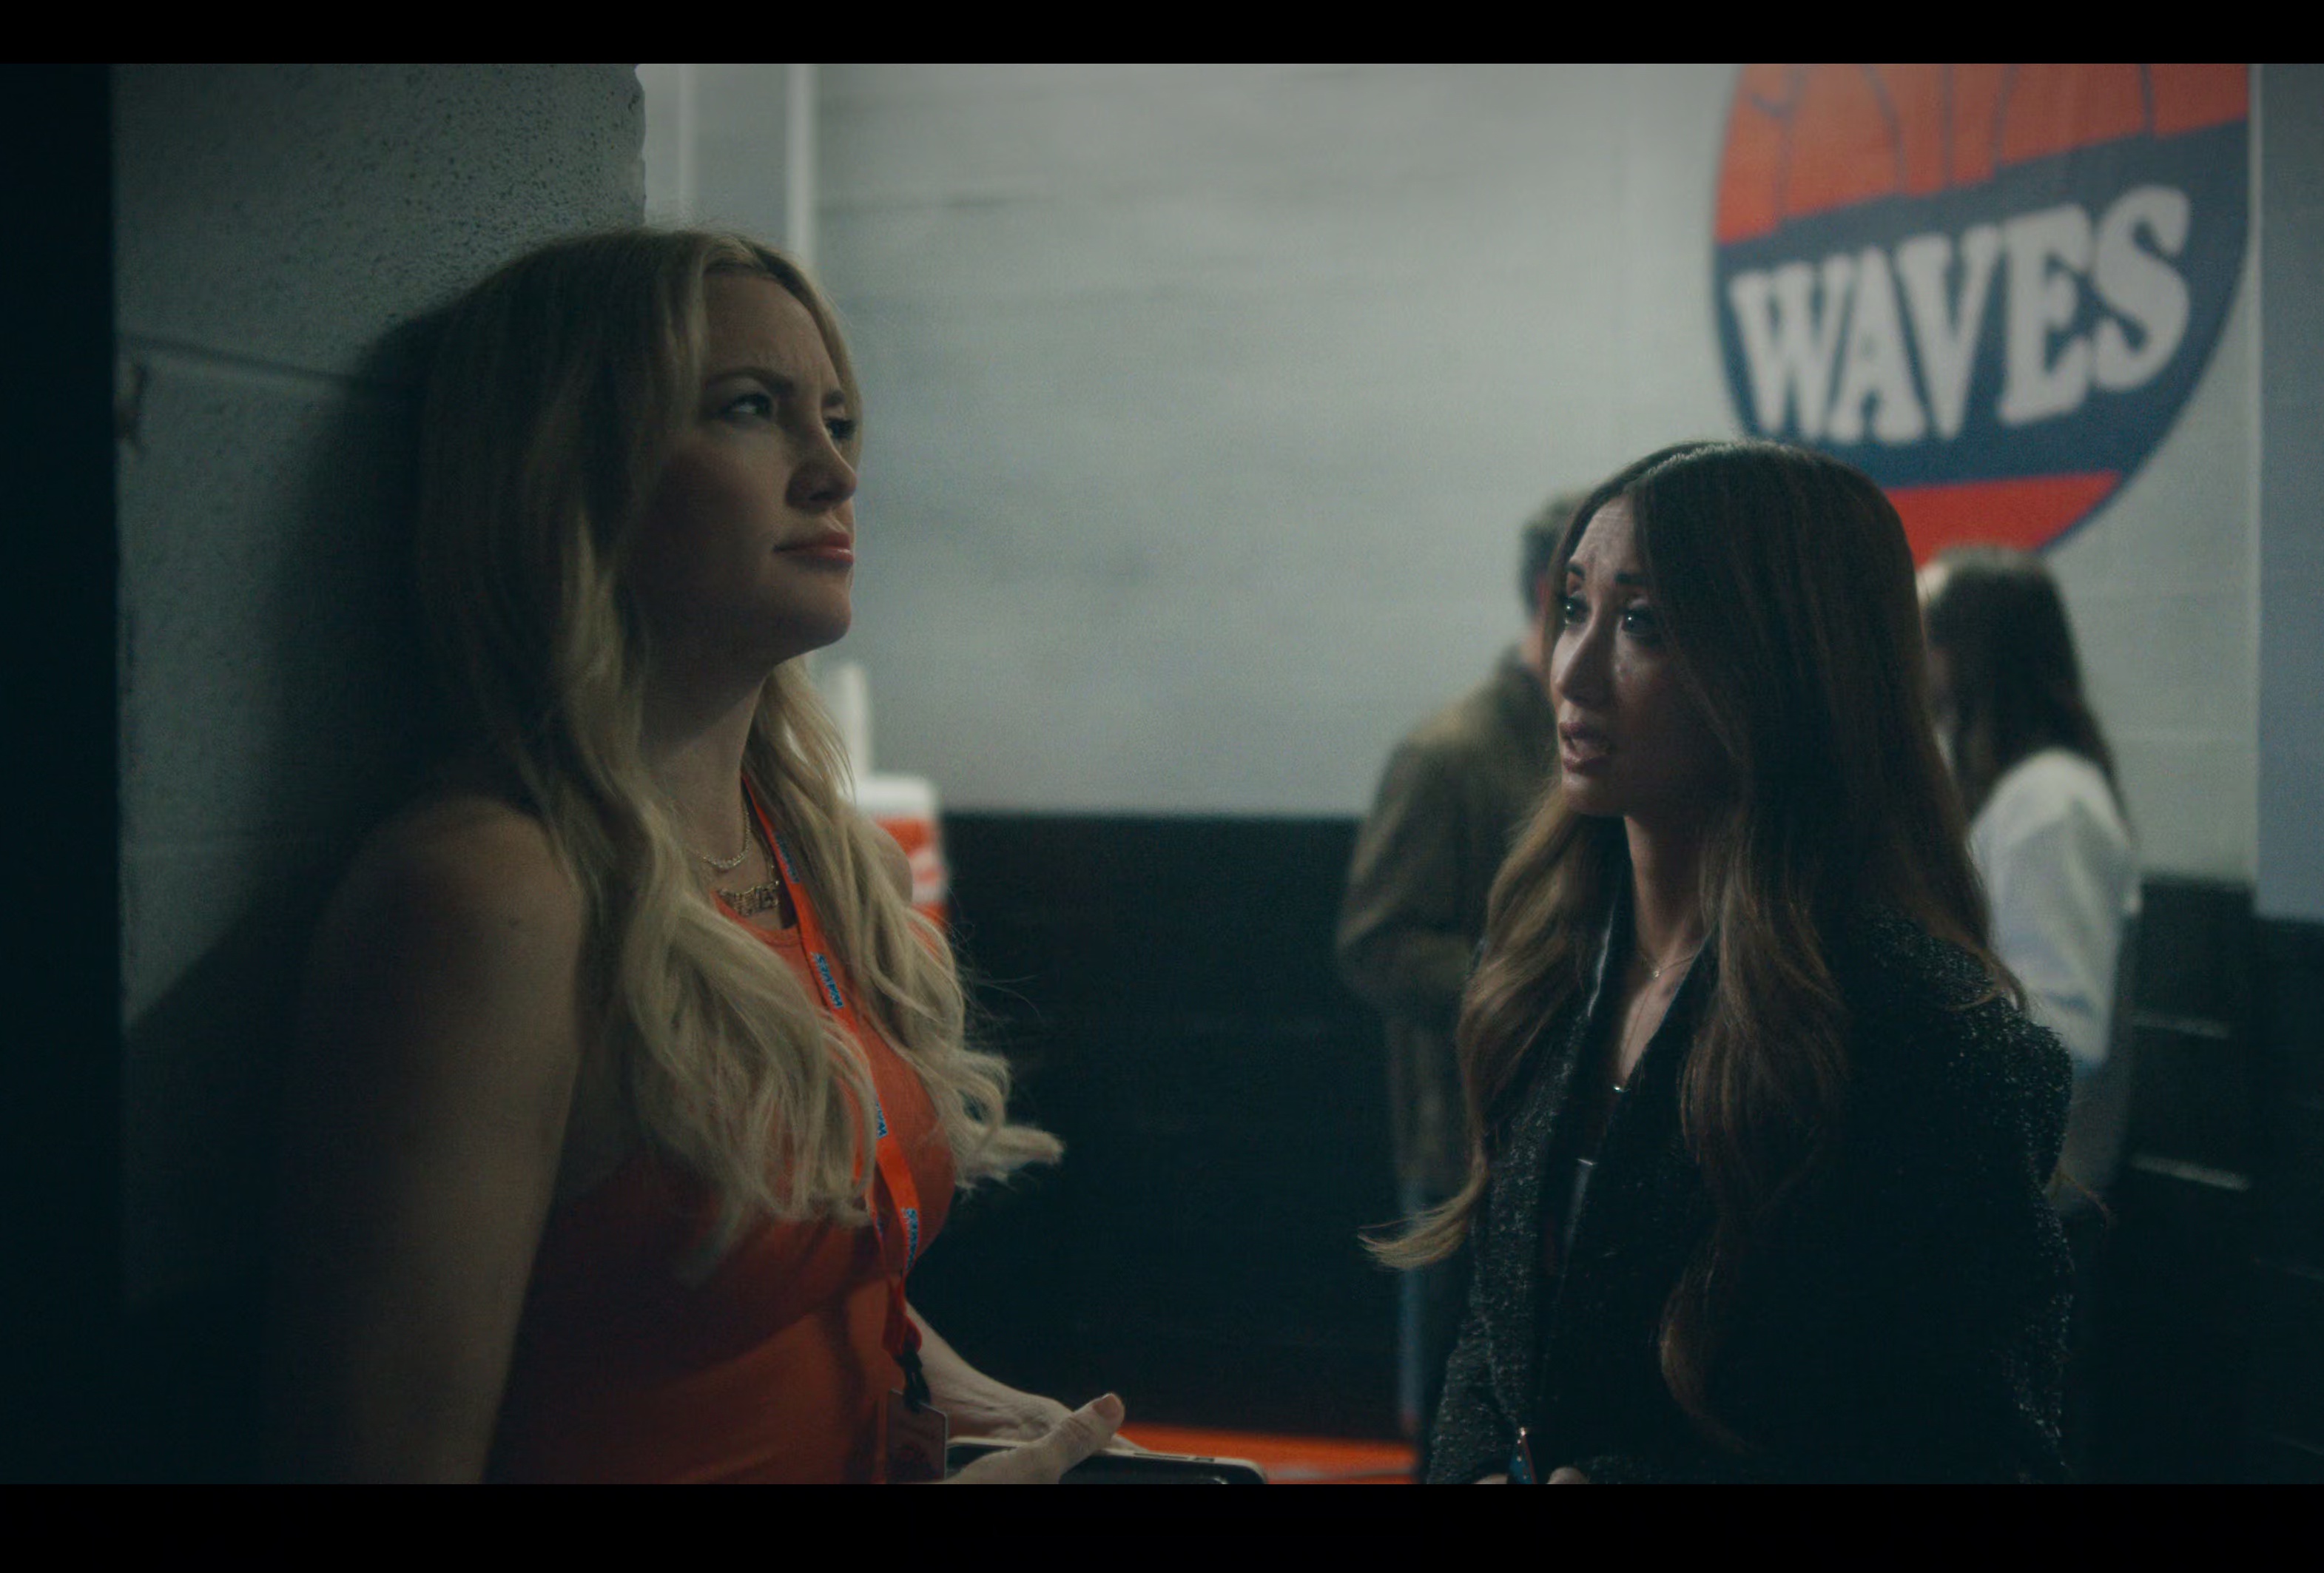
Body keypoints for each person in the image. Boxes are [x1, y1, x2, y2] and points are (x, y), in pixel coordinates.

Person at [262, 229, 1125, 1483]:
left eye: (837, 420)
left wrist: (954, 1386)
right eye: (750, 409)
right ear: (572, 472)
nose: (834, 473)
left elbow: (746, 1281)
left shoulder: (838, 869)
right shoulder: (494, 902)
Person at [1376, 440, 2075, 1483]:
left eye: (1642, 624)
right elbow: (1499, 1342)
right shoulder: (1541, 966)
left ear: (1782, 663)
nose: (1573, 672)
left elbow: (1973, 1455)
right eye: (1574, 608)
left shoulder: (1924, 1033)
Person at [1336, 491, 1580, 1467]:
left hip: (1573, 1133)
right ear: (1554, 594)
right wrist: (1541, 981)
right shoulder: (1450, 753)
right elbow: (1376, 943)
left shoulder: (1606, 740)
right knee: (1457, 1420)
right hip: (1465, 1149)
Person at [1919, 542, 2140, 1476]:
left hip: (2042, 1207)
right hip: (2014, 1201)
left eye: (1930, 638)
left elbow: (2065, 1036)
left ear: (1974, 651)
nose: (1916, 661)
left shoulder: (2051, 804)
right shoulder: (2015, 796)